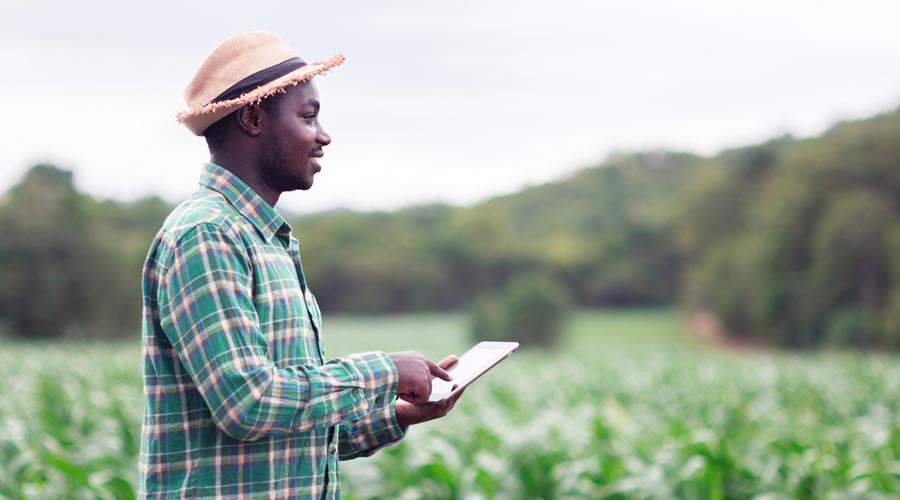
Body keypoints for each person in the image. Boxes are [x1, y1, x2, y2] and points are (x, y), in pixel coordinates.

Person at [139, 31, 463, 499]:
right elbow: (247, 403)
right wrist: (384, 370)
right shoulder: (207, 234)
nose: (324, 135)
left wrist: (393, 413)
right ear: (253, 119)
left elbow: (293, 432)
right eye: (308, 117)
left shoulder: (266, 240)